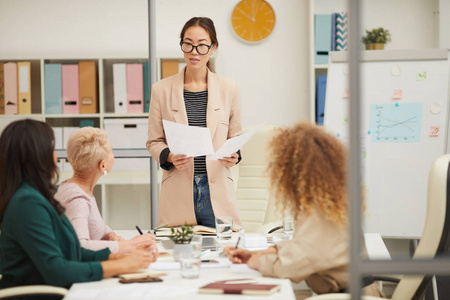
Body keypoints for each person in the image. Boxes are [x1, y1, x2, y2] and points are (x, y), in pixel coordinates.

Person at [224, 121, 384, 297]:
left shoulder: (320, 215)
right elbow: (303, 247)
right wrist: (258, 253)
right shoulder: (329, 202)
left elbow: (287, 268)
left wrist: (255, 261)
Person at [0, 119, 158, 290]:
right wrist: (122, 265)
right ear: (37, 155)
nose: (55, 155)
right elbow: (57, 270)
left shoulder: (37, 195)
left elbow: (72, 250)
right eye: (51, 148)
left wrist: (118, 258)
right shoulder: (27, 203)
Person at [147, 17, 242, 228]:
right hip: (179, 189)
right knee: (177, 253)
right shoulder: (161, 90)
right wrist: (169, 156)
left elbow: (235, 137)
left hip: (216, 190)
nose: (194, 51)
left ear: (213, 47)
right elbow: (153, 141)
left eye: (201, 45)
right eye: (188, 43)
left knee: (224, 253)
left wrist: (234, 155)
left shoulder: (229, 88)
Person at [54, 127, 155, 254]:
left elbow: (92, 225)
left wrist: (109, 235)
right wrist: (131, 244)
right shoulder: (78, 200)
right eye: (112, 151)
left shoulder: (75, 187)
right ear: (102, 165)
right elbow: (81, 246)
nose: (114, 156)